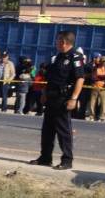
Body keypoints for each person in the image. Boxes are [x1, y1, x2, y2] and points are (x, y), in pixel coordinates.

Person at [29, 31, 86, 171]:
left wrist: (74, 98)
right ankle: (45, 158)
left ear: (63, 42)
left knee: (63, 131)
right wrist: (44, 93)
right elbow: (50, 78)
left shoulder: (75, 57)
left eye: (58, 40)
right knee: (47, 130)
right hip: (51, 97)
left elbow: (80, 79)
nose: (56, 43)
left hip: (63, 98)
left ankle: (67, 160)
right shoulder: (57, 57)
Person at [87, 55, 105, 121]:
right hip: (95, 87)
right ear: (100, 61)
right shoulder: (95, 68)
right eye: (102, 61)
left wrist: (99, 76)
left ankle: (103, 117)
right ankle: (91, 116)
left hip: (104, 88)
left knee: (104, 104)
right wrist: (102, 77)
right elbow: (93, 77)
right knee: (92, 103)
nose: (103, 63)